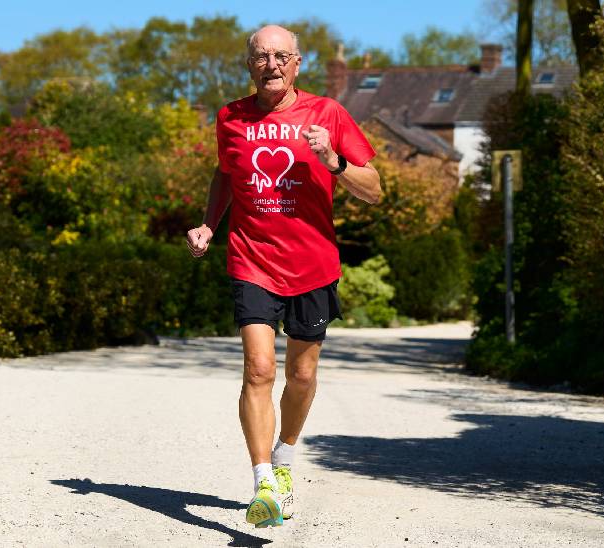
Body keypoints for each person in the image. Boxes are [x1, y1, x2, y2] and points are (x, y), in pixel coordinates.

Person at [186, 24, 380, 528]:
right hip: (252, 259)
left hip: (313, 264)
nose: (270, 64)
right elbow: (225, 173)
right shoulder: (230, 117)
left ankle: (285, 458)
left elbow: (374, 189)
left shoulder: (327, 113)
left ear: (297, 64)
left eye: (280, 56)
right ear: (249, 64)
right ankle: (263, 483)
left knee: (302, 376)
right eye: (260, 56)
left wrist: (333, 161)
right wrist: (210, 224)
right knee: (258, 370)